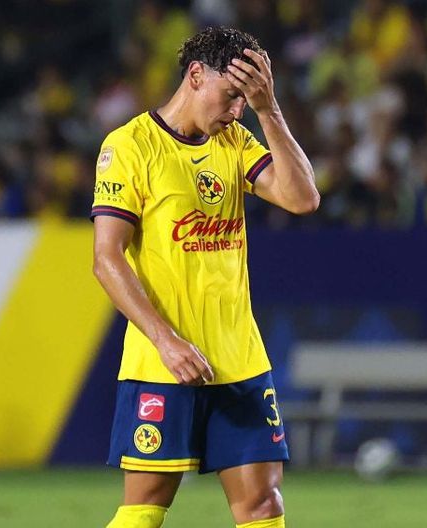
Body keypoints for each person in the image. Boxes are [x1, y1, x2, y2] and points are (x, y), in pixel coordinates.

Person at [91, 27, 318, 528]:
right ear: (196, 75)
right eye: (232, 95)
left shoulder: (235, 141)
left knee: (263, 505)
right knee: (145, 509)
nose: (237, 110)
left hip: (240, 360)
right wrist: (166, 341)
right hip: (164, 364)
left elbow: (303, 199)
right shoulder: (131, 146)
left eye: (246, 99)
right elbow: (107, 258)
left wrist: (268, 111)